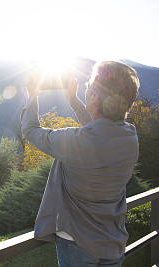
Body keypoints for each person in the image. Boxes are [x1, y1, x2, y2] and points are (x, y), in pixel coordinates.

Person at [20, 61, 140, 266]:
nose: (86, 88)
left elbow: (30, 130)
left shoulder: (77, 141)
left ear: (94, 97)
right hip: (112, 241)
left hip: (77, 243)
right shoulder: (129, 135)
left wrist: (33, 95)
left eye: (89, 86)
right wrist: (73, 99)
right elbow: (99, 128)